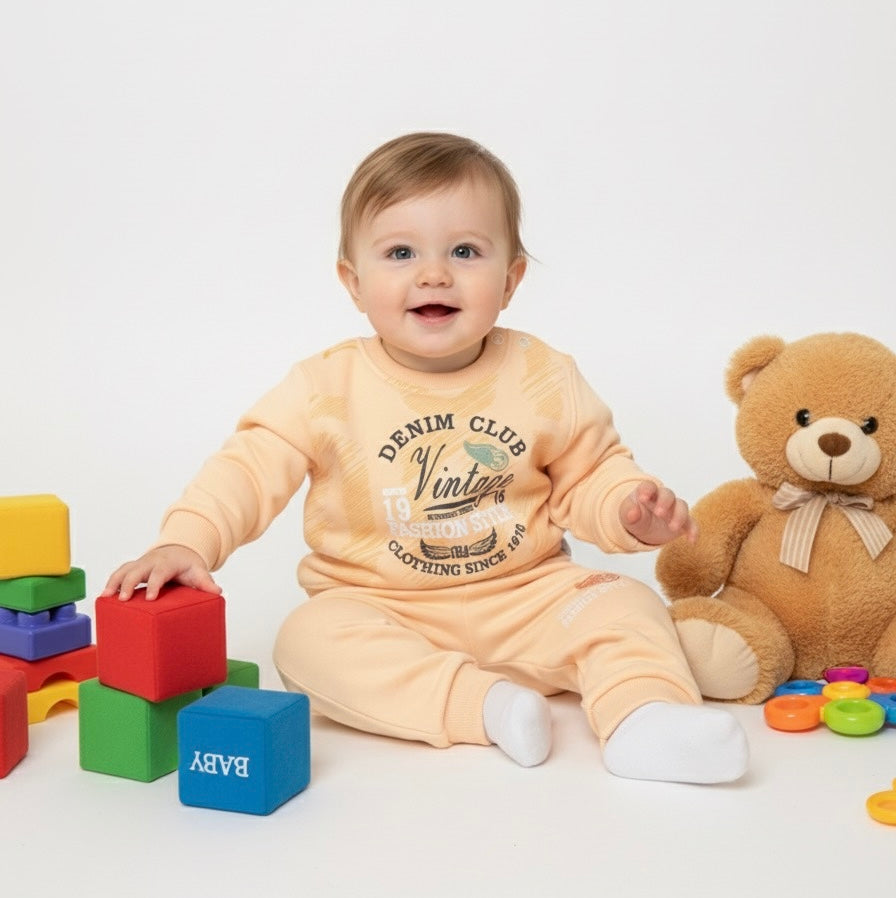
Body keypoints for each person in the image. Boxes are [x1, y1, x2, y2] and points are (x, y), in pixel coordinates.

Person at [104, 131, 749, 782]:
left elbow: (591, 473)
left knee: (625, 604)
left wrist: (628, 508)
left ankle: (646, 720)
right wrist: (187, 540)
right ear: (354, 283)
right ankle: (488, 707)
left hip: (528, 596)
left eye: (465, 251)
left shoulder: (542, 375)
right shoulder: (325, 387)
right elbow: (248, 467)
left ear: (511, 279)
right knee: (305, 642)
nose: (434, 273)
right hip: (382, 606)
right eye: (400, 252)